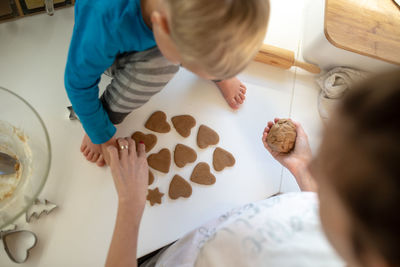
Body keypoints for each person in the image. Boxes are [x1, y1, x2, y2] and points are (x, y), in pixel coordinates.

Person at [105, 71, 400, 267]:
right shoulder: (356, 230)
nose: (317, 164)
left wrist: (130, 205)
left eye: (328, 168)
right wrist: (302, 171)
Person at [64, 0, 270, 167]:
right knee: (162, 66)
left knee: (199, 50)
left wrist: (217, 67)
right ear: (161, 26)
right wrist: (99, 133)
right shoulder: (104, 21)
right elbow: (77, 84)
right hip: (111, 46)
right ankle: (107, 114)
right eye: (187, 63)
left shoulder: (176, 15)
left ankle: (212, 66)